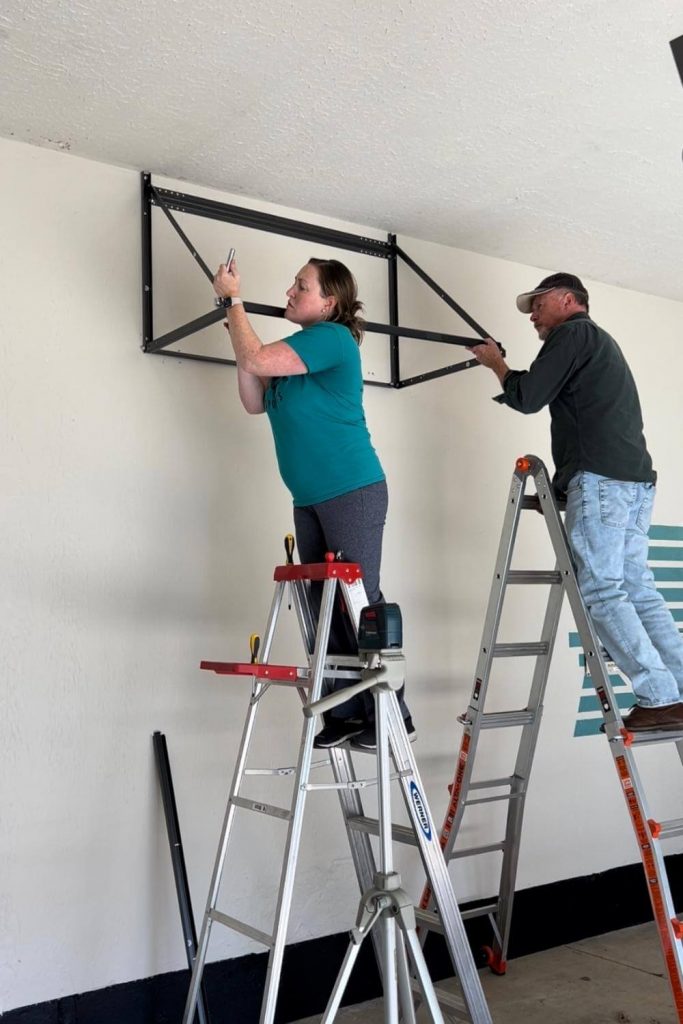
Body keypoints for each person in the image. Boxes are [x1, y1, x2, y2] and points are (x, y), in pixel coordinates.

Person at [213, 255, 415, 749]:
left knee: (359, 602)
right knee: (325, 606)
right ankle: (345, 713)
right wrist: (230, 318)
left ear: (330, 302)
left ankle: (393, 712)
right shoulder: (296, 358)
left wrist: (234, 301)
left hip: (353, 491)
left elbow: (256, 359)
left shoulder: (331, 339)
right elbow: (254, 397)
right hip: (308, 499)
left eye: (301, 286)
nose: (290, 291)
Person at [468, 272, 683, 733]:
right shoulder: (598, 343)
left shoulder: (572, 333)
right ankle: (677, 688)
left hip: (603, 480)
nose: (532, 317)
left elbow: (527, 397)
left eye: (538, 306)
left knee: (602, 589)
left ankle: (659, 694)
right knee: (637, 588)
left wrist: (496, 365)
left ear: (568, 301)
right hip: (634, 481)